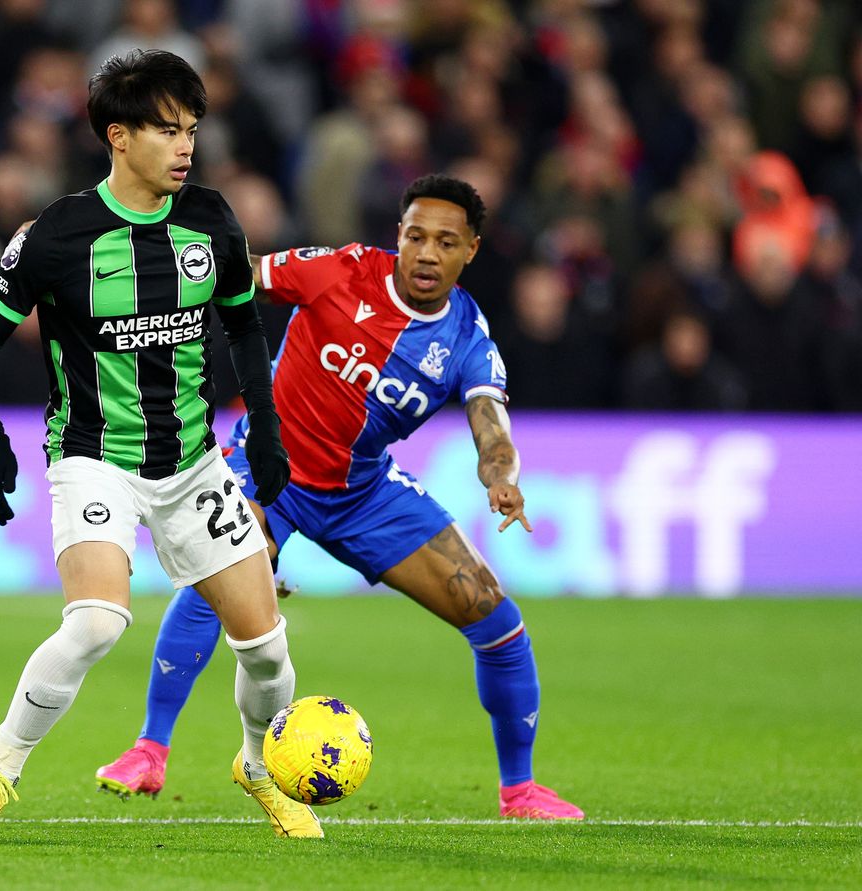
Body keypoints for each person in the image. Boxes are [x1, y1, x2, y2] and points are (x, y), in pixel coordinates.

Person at [95, 174, 585, 820]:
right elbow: (233, 275)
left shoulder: (466, 337)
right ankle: (150, 750)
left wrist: (501, 475)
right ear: (399, 237)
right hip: (268, 470)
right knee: (220, 573)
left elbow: (491, 423)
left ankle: (519, 791)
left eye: (445, 242)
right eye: (415, 237)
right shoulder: (340, 271)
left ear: (471, 249)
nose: (427, 254)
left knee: (497, 619)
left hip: (362, 492)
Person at [0, 50, 323, 840]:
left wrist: (266, 431)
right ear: (118, 137)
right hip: (95, 457)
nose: (185, 145)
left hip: (193, 463)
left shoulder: (212, 219)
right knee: (94, 622)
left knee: (266, 647)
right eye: (165, 129)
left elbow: (246, 326)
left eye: (191, 129)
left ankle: (258, 764)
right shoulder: (56, 235)